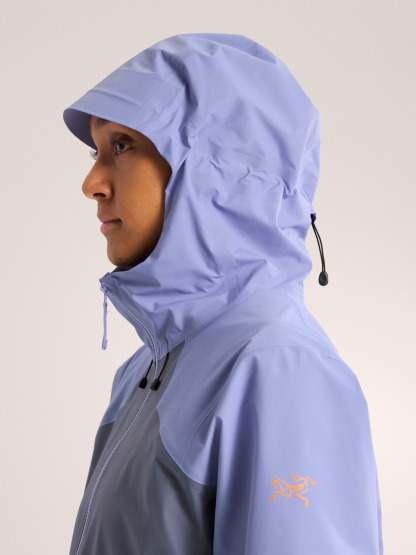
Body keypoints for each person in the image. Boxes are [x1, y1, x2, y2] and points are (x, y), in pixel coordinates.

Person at [63, 33, 384, 555]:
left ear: (215, 172)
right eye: (96, 150)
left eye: (122, 146)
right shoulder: (144, 368)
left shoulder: (281, 368)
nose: (91, 183)